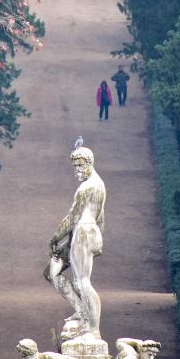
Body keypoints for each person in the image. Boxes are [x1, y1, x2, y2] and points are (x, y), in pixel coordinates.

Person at [44, 144, 106, 341]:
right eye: (75, 166)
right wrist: (99, 239)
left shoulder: (86, 187)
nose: (78, 170)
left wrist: (54, 238)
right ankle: (81, 311)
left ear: (90, 163)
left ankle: (94, 328)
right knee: (51, 273)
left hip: (82, 232)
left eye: (81, 165)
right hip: (86, 233)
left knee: (82, 282)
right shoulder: (99, 184)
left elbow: (72, 218)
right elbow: (101, 216)